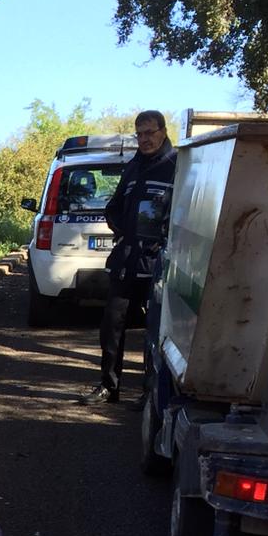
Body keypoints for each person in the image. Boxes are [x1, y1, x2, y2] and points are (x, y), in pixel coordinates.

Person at [80, 110, 177, 405]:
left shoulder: (177, 165)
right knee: (112, 324)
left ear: (163, 132)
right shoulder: (134, 166)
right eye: (140, 134)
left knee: (156, 333)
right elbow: (113, 207)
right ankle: (108, 387)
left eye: (150, 133)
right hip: (127, 260)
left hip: (160, 264)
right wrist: (123, 231)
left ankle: (150, 394)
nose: (145, 139)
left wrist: (162, 239)